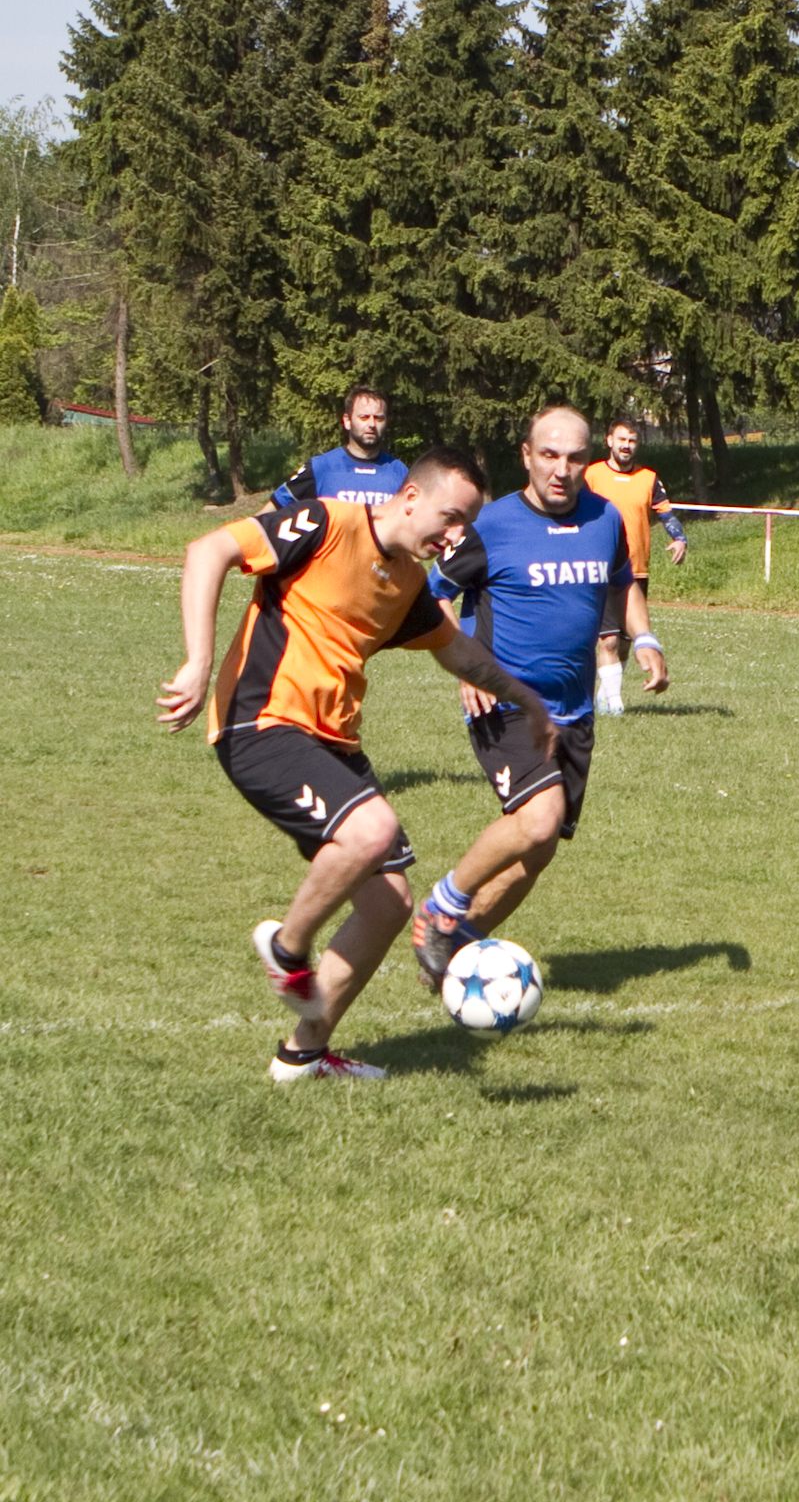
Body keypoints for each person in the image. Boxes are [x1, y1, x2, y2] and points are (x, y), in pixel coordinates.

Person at [157, 447, 554, 1081]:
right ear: (411, 497)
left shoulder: (407, 584)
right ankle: (287, 948)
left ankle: (303, 1055)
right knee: (369, 832)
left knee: (390, 904)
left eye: (465, 527)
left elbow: (457, 654)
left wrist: (527, 700)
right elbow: (208, 551)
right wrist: (198, 662)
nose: (454, 537)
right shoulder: (325, 523)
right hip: (262, 721)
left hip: (333, 742)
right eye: (450, 518)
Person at [409, 406, 668, 983]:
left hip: (573, 712)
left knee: (540, 849)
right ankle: (440, 906)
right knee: (539, 819)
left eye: (575, 457)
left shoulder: (606, 520)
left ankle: (456, 944)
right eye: (549, 455)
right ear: (526, 455)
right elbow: (436, 598)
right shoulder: (491, 526)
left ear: (589, 460)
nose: (562, 469)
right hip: (503, 703)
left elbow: (624, 584)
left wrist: (644, 637)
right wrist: (465, 668)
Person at [582, 418, 687, 717]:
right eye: (622, 440)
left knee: (628, 642)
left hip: (636, 570)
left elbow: (665, 513)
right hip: (600, 571)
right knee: (608, 639)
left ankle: (605, 693)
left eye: (632, 441)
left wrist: (679, 539)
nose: (627, 446)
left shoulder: (648, 478)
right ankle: (614, 702)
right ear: (609, 441)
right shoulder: (592, 476)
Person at [270, 385, 406, 509]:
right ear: (347, 421)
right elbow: (273, 508)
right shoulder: (321, 467)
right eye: (364, 417)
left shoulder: (399, 472)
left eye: (378, 418)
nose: (371, 424)